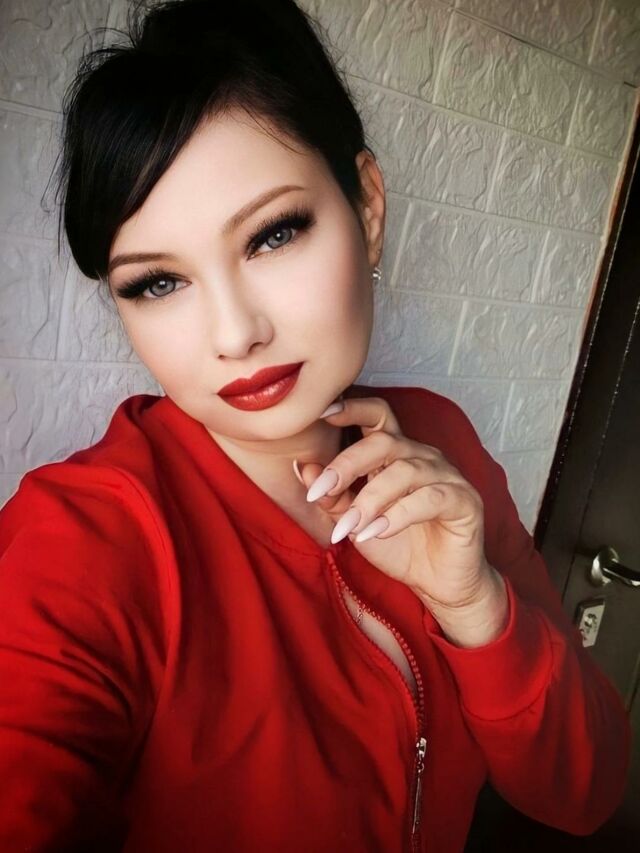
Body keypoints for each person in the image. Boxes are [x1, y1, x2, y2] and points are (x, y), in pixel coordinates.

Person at [0, 1, 631, 851]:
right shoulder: (82, 539)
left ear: (367, 206)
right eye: (157, 282)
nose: (234, 334)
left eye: (273, 234)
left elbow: (585, 792)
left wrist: (474, 604)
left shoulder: (440, 441)